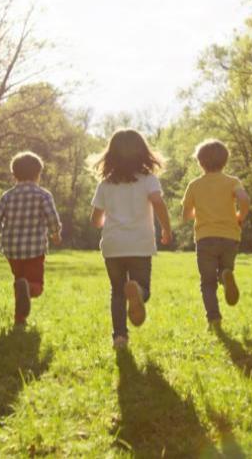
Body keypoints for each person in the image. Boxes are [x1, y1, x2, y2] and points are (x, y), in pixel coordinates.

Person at [90, 129, 172, 349]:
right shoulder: (148, 180)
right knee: (143, 287)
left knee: (117, 292)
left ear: (111, 155)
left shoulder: (105, 184)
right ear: (143, 153)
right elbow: (158, 203)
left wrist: (105, 220)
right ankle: (138, 292)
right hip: (139, 244)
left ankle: (119, 337)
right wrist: (166, 228)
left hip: (113, 245)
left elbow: (96, 219)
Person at [0, 151, 62, 327]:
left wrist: (6, 229)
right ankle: (28, 289)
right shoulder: (43, 195)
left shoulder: (7, 196)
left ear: (14, 175)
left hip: (12, 250)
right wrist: (55, 234)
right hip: (35, 249)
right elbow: (52, 219)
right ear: (38, 174)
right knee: (35, 286)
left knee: (19, 281)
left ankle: (19, 319)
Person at [182, 139, 250, 329]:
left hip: (205, 238)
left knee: (207, 283)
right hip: (230, 236)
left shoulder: (194, 185)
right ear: (225, 161)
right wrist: (240, 216)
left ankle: (214, 318)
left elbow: (186, 215)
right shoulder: (232, 182)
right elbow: (244, 199)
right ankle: (226, 276)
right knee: (225, 269)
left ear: (200, 162)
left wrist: (198, 212)